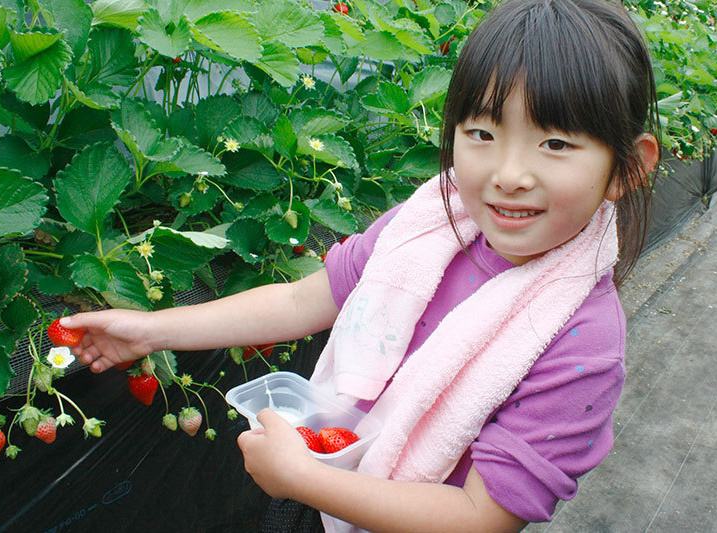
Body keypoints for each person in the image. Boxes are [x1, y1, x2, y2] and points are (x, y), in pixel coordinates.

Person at [65, 0, 661, 530]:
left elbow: (482, 518)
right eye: (481, 131)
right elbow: (303, 300)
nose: (508, 172)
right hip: (323, 482)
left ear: (628, 169)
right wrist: (151, 329)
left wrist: (303, 480)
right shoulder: (427, 224)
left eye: (555, 144)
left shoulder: (580, 340)